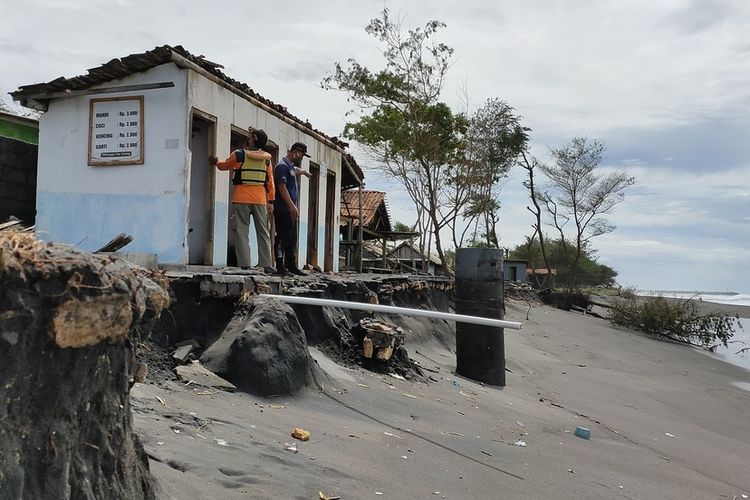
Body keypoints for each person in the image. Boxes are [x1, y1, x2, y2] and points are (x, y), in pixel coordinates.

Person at [209, 128, 276, 272]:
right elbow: (270, 182)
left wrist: (215, 162)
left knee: (241, 231)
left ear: (253, 139)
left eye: (250, 135)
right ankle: (266, 264)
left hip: (241, 198)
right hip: (260, 200)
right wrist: (271, 201)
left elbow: (223, 166)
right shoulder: (267, 160)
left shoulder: (239, 155)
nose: (248, 137)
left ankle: (244, 263)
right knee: (263, 232)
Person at [273, 142, 312, 276]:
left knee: (291, 239)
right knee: (282, 238)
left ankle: (291, 265)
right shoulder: (281, 167)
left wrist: (305, 172)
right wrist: (292, 206)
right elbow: (282, 187)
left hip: (289, 210)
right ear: (296, 152)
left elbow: (295, 171)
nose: (301, 158)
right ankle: (280, 266)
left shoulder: (289, 167)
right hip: (283, 209)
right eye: (301, 155)